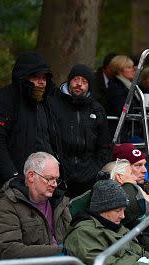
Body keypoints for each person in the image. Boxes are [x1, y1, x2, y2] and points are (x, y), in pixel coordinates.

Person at [0, 52, 60, 202]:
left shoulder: (45, 104)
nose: (41, 82)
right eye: (36, 77)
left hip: (44, 184)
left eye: (44, 78)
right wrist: (13, 177)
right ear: (23, 77)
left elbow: (51, 140)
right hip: (13, 187)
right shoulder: (5, 100)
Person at [0, 152, 70, 259]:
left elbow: (73, 237)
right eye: (49, 179)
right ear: (31, 176)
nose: (54, 184)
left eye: (56, 180)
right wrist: (62, 251)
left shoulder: (60, 202)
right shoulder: (6, 206)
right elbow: (9, 250)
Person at [64, 178, 148, 265]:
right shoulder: (83, 233)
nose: (123, 216)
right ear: (101, 210)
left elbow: (140, 253)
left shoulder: (116, 226)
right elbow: (105, 264)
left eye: (123, 210)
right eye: (117, 211)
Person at [52, 64, 111, 198]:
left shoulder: (97, 110)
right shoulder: (54, 105)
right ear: (69, 81)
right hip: (59, 176)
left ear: (89, 85)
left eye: (84, 81)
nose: (79, 84)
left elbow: (104, 145)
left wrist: (95, 169)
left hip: (88, 177)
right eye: (76, 79)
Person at [105, 55, 135, 141]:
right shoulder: (116, 87)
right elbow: (122, 108)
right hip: (120, 134)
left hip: (128, 131)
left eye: (132, 67)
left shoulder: (128, 85)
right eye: (129, 67)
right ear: (119, 70)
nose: (133, 70)